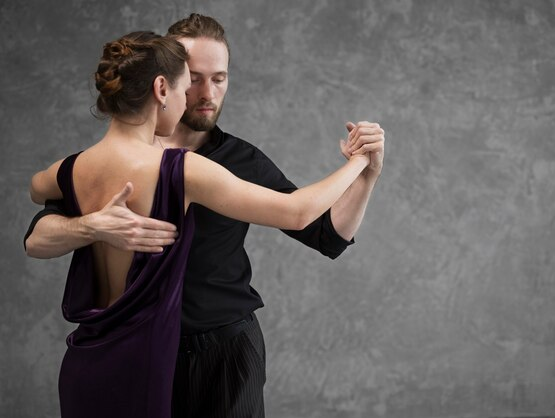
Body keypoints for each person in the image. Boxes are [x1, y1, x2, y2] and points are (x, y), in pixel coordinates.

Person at [24, 14, 385, 418]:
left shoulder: (87, 165)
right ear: (163, 83)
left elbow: (326, 235)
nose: (206, 93)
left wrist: (367, 175)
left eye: (220, 78)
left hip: (221, 356)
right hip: (143, 351)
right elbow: (37, 237)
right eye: (192, 79)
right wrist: (90, 225)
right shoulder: (168, 168)